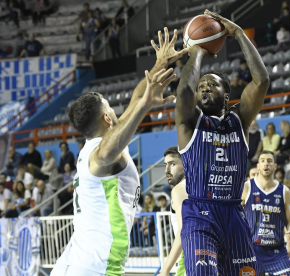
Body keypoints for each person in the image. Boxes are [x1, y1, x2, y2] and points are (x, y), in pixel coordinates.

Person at [51, 28, 186, 276]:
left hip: (78, 259)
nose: (116, 111)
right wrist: (145, 105)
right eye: (111, 108)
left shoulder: (91, 146)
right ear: (106, 117)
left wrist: (159, 64)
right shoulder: (100, 154)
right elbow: (105, 154)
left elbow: (135, 99)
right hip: (96, 265)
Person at [175, 9, 269, 275]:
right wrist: (198, 51)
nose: (204, 87)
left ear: (227, 95)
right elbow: (183, 91)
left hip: (233, 214)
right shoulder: (190, 122)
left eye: (212, 85)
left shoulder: (240, 119)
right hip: (199, 213)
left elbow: (261, 81)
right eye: (201, 84)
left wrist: (238, 33)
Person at [242, 151, 290, 276]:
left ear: (275, 166)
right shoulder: (247, 187)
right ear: (258, 166)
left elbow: (289, 220)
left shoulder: (284, 191)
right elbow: (236, 215)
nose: (266, 164)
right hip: (251, 250)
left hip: (276, 251)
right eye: (262, 161)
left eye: (269, 161)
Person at [158, 147, 188, 276]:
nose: (167, 170)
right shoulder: (202, 187)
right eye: (165, 165)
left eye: (173, 164)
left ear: (186, 164)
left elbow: (184, 231)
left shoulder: (179, 189)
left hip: (189, 259)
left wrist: (165, 270)